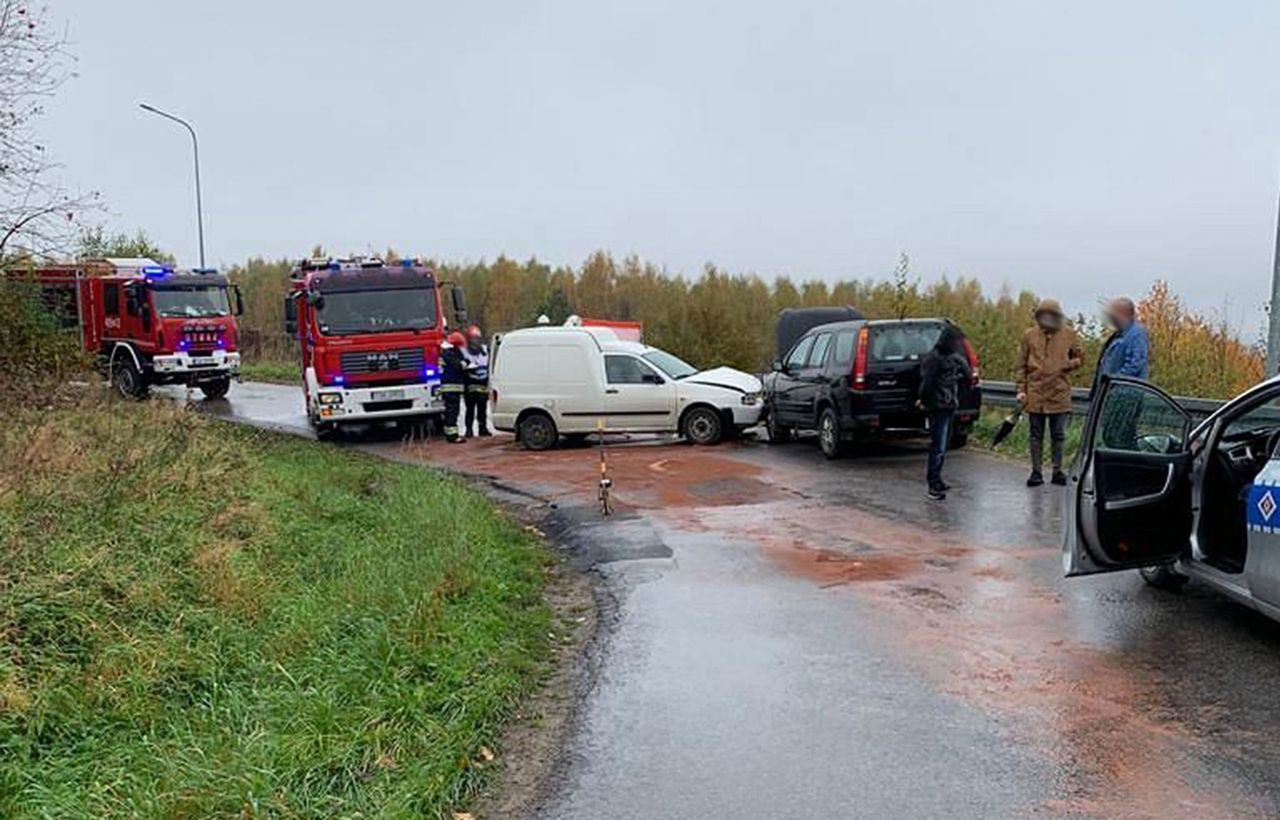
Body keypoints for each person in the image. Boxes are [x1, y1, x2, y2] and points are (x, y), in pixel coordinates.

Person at [1016, 299, 1083, 487]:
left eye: (1050, 315)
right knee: (1035, 434)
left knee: (1058, 434)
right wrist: (1021, 390)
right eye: (1043, 315)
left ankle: (1057, 471)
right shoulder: (1029, 335)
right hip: (1035, 392)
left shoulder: (1069, 334)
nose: (1046, 319)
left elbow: (1080, 357)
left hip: (1059, 393)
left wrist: (1066, 365)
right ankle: (1036, 472)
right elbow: (1021, 365)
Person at [918, 325, 972, 500]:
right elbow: (927, 386)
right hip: (940, 406)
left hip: (945, 406)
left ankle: (937, 480)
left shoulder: (940, 358)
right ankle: (933, 485)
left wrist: (924, 400)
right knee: (938, 447)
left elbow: (927, 385)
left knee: (941, 446)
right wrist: (925, 401)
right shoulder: (941, 359)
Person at [1092, 296, 1149, 391]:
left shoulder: (1136, 334)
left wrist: (1113, 381)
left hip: (1125, 395)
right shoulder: (1118, 335)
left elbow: (1135, 365)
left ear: (1124, 313)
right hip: (1111, 394)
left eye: (1113, 314)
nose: (1110, 318)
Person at [462, 324, 491, 438]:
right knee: (470, 410)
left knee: (482, 410)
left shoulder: (485, 350)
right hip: (470, 385)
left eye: (477, 338)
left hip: (483, 384)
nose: (475, 341)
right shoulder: (464, 351)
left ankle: (482, 428)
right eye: (473, 339)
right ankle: (469, 429)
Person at [439, 331, 468, 443]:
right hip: (451, 386)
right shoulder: (450, 354)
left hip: (449, 386)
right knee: (452, 411)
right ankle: (452, 436)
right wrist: (464, 363)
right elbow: (459, 365)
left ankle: (450, 434)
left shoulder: (446, 352)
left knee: (451, 411)